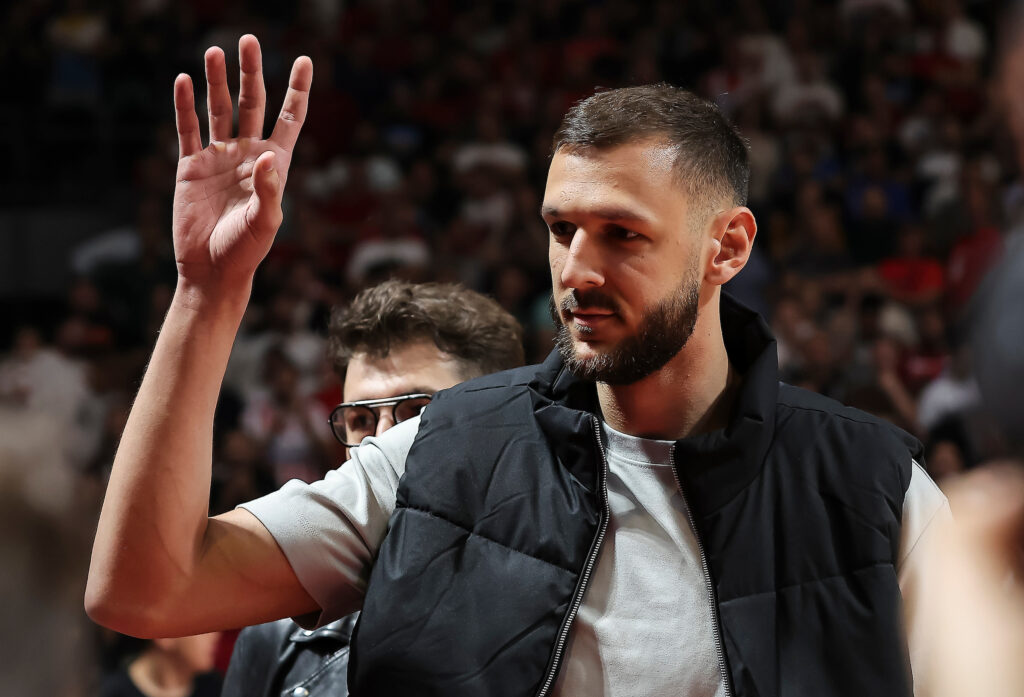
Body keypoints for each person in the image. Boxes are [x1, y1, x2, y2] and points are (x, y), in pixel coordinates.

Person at [86, 36, 949, 696]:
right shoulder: (437, 452)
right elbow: (144, 593)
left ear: (727, 247)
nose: (576, 270)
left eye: (622, 234)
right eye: (560, 228)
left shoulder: (876, 489)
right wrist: (206, 293)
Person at [222, 279, 525, 697]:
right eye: (361, 420)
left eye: (419, 413)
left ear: (504, 421)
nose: (377, 444)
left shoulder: (567, 604)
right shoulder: (275, 640)